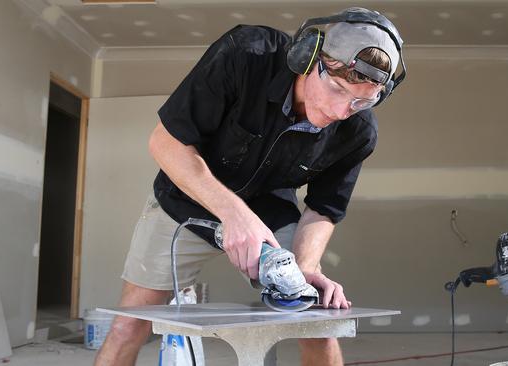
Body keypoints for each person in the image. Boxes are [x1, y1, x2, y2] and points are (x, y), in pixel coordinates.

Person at [95, 7, 404, 366]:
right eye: (336, 87)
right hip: (184, 200)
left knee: (317, 323)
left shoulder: (359, 131)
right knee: (128, 326)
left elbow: (324, 208)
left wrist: (305, 269)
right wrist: (234, 215)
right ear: (308, 57)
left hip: (270, 209)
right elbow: (164, 143)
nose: (340, 110)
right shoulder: (247, 54)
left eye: (360, 101)